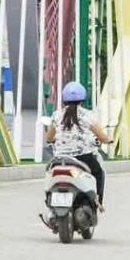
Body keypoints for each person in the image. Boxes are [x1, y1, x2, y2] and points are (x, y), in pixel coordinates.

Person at [45, 81, 113, 210]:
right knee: (98, 172)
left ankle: (49, 200)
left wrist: (54, 140)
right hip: (83, 158)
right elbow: (102, 137)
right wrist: (109, 140)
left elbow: (48, 138)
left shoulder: (56, 115)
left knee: (49, 174)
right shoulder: (87, 115)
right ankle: (98, 202)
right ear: (82, 98)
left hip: (60, 158)